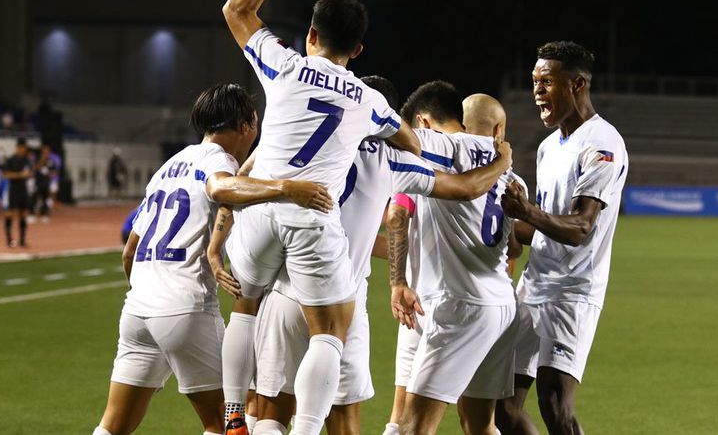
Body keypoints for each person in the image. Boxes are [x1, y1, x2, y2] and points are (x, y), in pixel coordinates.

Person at [208, 76, 513, 435]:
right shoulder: (391, 157)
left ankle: (233, 414)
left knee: (271, 410)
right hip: (343, 300)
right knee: (344, 420)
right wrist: (502, 160)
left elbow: (236, 183)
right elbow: (463, 189)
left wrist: (218, 242)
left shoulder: (297, 140)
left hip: (286, 292)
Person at [219, 0, 421, 435]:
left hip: (264, 204)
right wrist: (376, 129)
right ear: (357, 50)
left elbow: (236, 9)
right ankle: (307, 430)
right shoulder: (370, 100)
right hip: (313, 213)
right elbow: (411, 141)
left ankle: (231, 416)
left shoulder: (285, 65)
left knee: (246, 304)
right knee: (329, 332)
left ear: (310, 34)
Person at [92, 83, 334, 435]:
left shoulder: (168, 166)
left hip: (137, 312)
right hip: (184, 308)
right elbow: (220, 188)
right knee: (229, 420)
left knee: (113, 425)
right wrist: (286, 188)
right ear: (248, 125)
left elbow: (130, 250)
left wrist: (150, 294)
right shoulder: (219, 162)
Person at [497, 41, 628, 435]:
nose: (537, 90)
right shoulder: (548, 146)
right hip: (535, 284)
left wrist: (526, 212)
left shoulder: (602, 143)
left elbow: (581, 227)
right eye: (534, 81)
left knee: (554, 401)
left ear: (577, 84)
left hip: (574, 290)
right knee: (501, 406)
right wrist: (496, 223)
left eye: (546, 81)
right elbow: (542, 223)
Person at [386, 84, 528, 435]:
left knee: (411, 426)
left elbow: (402, 137)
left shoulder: (450, 146)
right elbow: (512, 247)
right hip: (501, 306)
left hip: (458, 305)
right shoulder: (513, 177)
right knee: (480, 426)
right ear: (499, 131)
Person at [0, 138, 33, 247]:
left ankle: (22, 240)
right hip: (13, 190)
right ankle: (9, 239)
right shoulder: (11, 160)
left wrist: (29, 174)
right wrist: (20, 175)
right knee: (10, 214)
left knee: (23, 215)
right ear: (18, 147)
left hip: (23, 189)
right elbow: (6, 174)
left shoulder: (26, 160)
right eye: (22, 148)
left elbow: (30, 172)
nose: (24, 150)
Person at [33, 144, 58, 221]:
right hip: (38, 181)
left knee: (46, 198)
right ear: (42, 151)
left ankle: (45, 215)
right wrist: (42, 161)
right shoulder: (37, 159)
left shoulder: (51, 161)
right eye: (44, 151)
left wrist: (50, 173)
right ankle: (33, 214)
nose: (46, 153)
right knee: (35, 197)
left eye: (47, 151)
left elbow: (54, 172)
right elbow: (34, 169)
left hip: (46, 181)